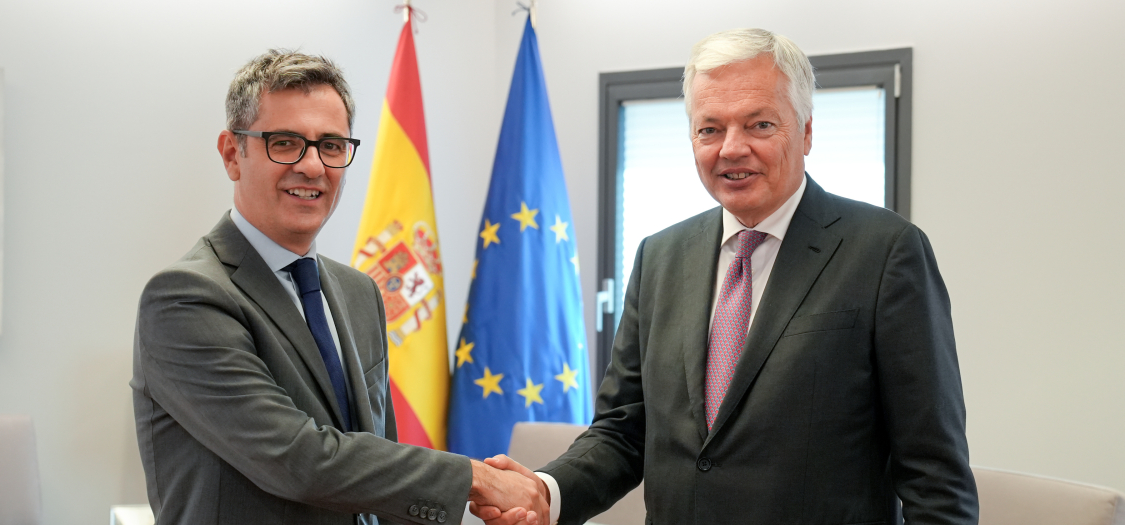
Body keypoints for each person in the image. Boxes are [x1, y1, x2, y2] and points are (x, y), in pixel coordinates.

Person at [475, 28, 979, 524]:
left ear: (805, 132)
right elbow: (624, 430)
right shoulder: (659, 256)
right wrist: (547, 492)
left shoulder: (885, 251)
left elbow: (933, 474)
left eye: (760, 125)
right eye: (709, 129)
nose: (731, 148)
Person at [131, 49, 546, 525]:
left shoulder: (358, 292)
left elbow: (376, 466)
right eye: (285, 143)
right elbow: (298, 460)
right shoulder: (185, 297)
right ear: (232, 154)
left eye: (331, 145)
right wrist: (476, 478)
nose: (312, 167)